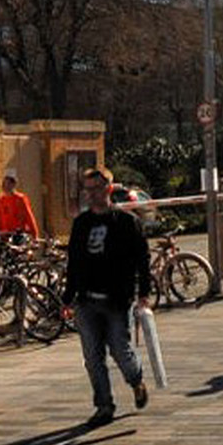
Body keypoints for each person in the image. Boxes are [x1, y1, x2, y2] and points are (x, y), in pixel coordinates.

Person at [66, 166, 149, 424]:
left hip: (116, 299)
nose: (90, 195)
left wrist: (143, 293)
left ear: (109, 189)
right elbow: (74, 261)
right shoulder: (81, 224)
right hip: (86, 301)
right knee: (92, 357)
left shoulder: (126, 222)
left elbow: (142, 260)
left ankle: (136, 380)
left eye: (96, 189)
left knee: (120, 350)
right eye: (87, 190)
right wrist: (68, 297)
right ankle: (104, 405)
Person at [0, 172, 39, 246]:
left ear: (13, 185)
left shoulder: (20, 199)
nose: (5, 187)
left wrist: (35, 234)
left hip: (18, 235)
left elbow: (28, 216)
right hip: (5, 235)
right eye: (4, 184)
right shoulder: (1, 200)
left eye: (8, 184)